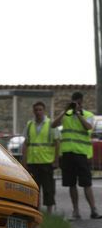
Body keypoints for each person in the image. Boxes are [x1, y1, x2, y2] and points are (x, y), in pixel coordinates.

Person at [51, 91, 102, 220]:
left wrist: (78, 113)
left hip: (82, 154)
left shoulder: (88, 115)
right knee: (71, 183)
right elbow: (53, 125)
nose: (76, 105)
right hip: (67, 154)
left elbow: (88, 127)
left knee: (86, 183)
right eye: (74, 103)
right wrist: (64, 111)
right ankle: (76, 211)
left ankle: (93, 210)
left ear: (82, 102)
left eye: (78, 103)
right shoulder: (66, 115)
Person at [22, 101, 59, 214]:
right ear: (33, 111)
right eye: (36, 110)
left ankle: (49, 212)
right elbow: (26, 143)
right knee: (34, 189)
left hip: (47, 162)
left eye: (40, 110)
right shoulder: (29, 125)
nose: (38, 112)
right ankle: (36, 211)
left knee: (48, 189)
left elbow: (57, 143)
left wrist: (56, 160)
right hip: (33, 162)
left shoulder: (51, 124)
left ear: (44, 111)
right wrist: (24, 161)